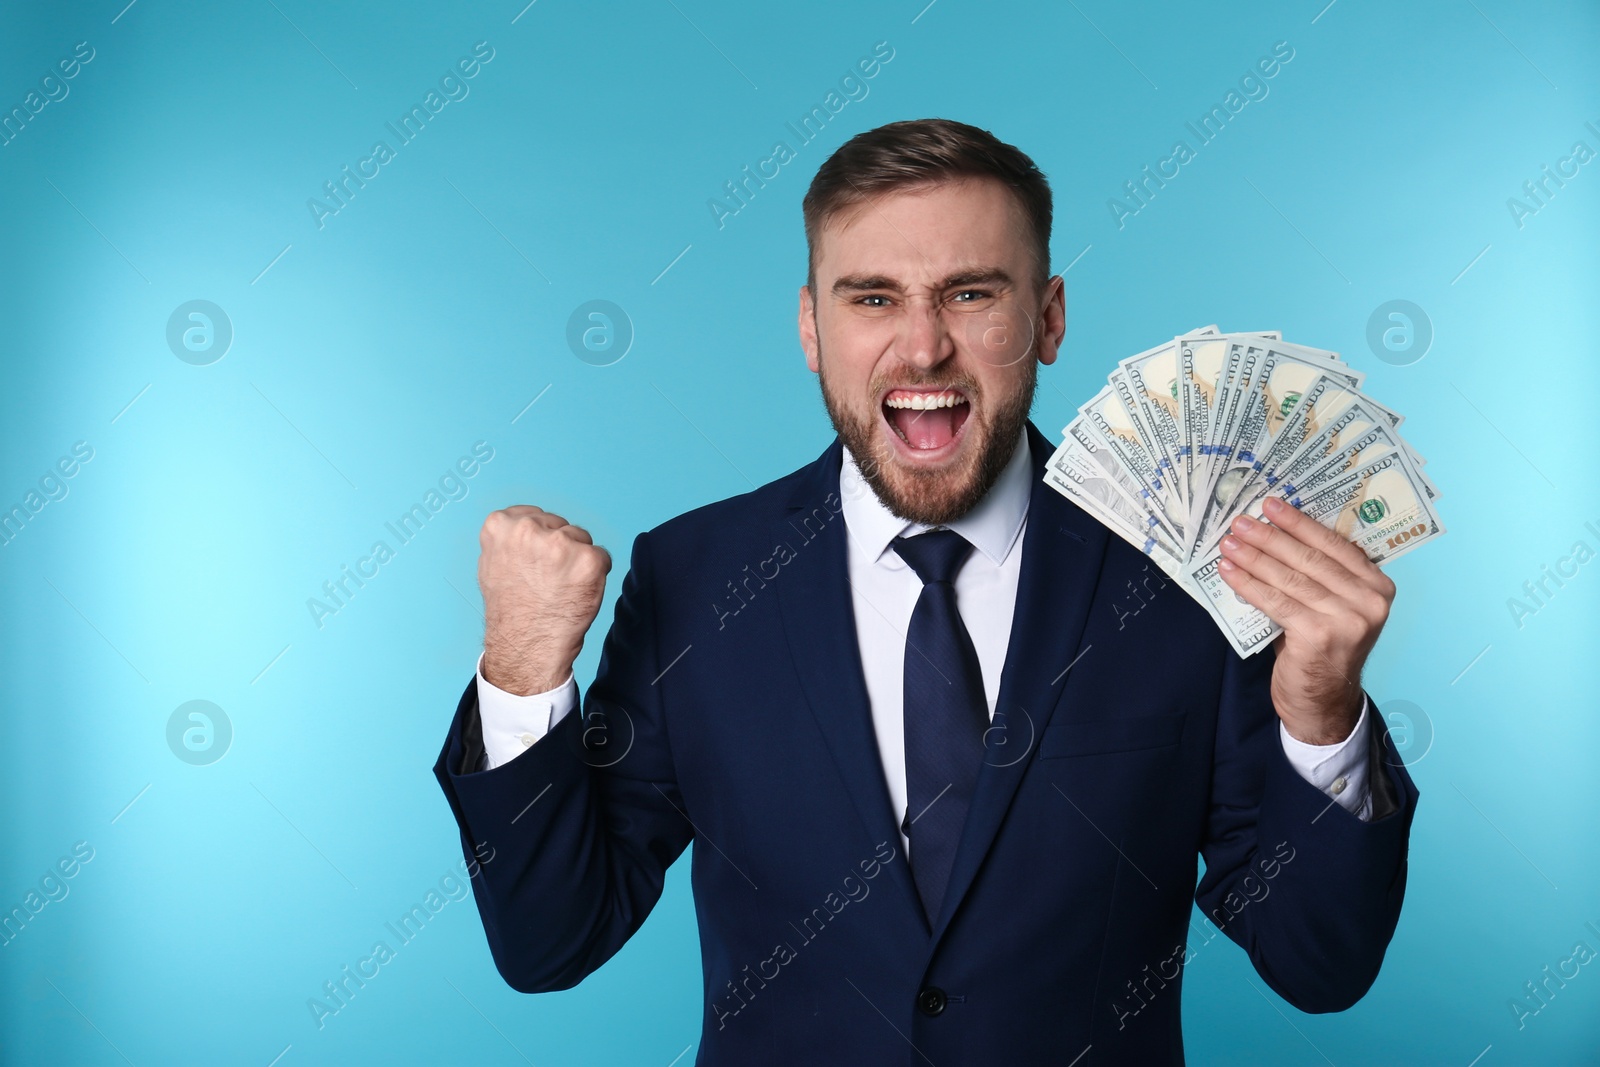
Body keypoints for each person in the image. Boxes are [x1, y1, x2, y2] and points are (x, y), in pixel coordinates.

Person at [433, 117, 1417, 1065]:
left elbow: (1317, 963)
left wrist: (1321, 715)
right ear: (811, 327)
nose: (921, 347)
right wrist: (522, 667)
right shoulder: (695, 578)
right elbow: (550, 942)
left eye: (970, 294)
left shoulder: (1184, 574)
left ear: (1048, 318)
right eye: (870, 298)